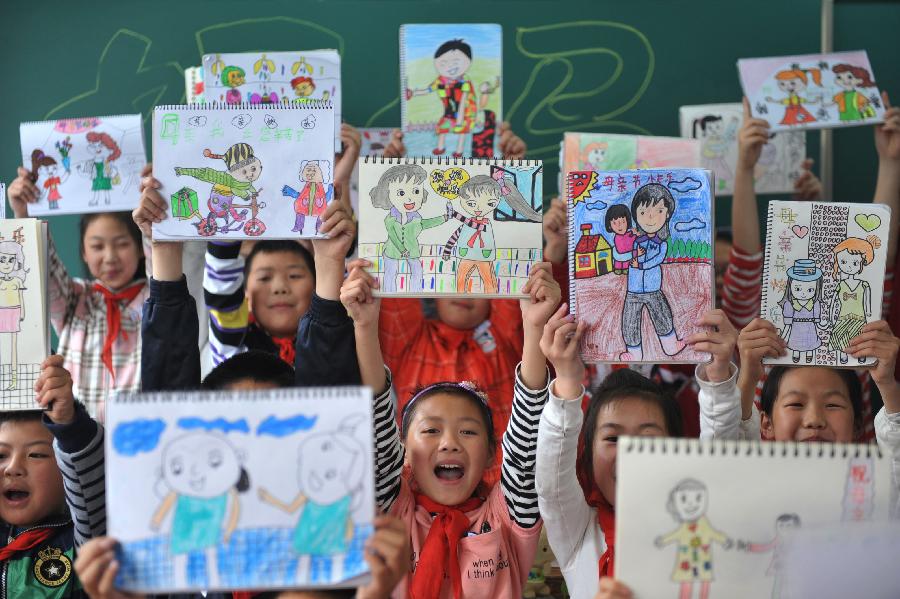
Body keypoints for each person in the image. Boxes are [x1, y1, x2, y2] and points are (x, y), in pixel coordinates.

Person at [342, 258, 560, 598]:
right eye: (430, 430)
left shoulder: (508, 516)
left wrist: (534, 328)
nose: (449, 443)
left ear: (492, 453)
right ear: (402, 448)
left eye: (468, 431)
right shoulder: (393, 509)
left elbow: (527, 439)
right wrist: (364, 326)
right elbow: (376, 417)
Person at [535, 305, 739, 599]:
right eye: (613, 438)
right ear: (587, 460)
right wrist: (566, 380)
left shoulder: (694, 529)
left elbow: (717, 464)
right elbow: (552, 481)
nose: (630, 453)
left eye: (648, 437)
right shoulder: (578, 532)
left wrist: (719, 377)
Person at [8, 166, 150, 418]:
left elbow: (161, 260)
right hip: (78, 438)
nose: (110, 257)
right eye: (97, 246)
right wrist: (24, 214)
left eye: (122, 244)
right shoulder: (76, 299)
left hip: (138, 439)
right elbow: (46, 266)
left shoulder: (155, 300)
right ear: (84, 252)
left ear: (141, 248)